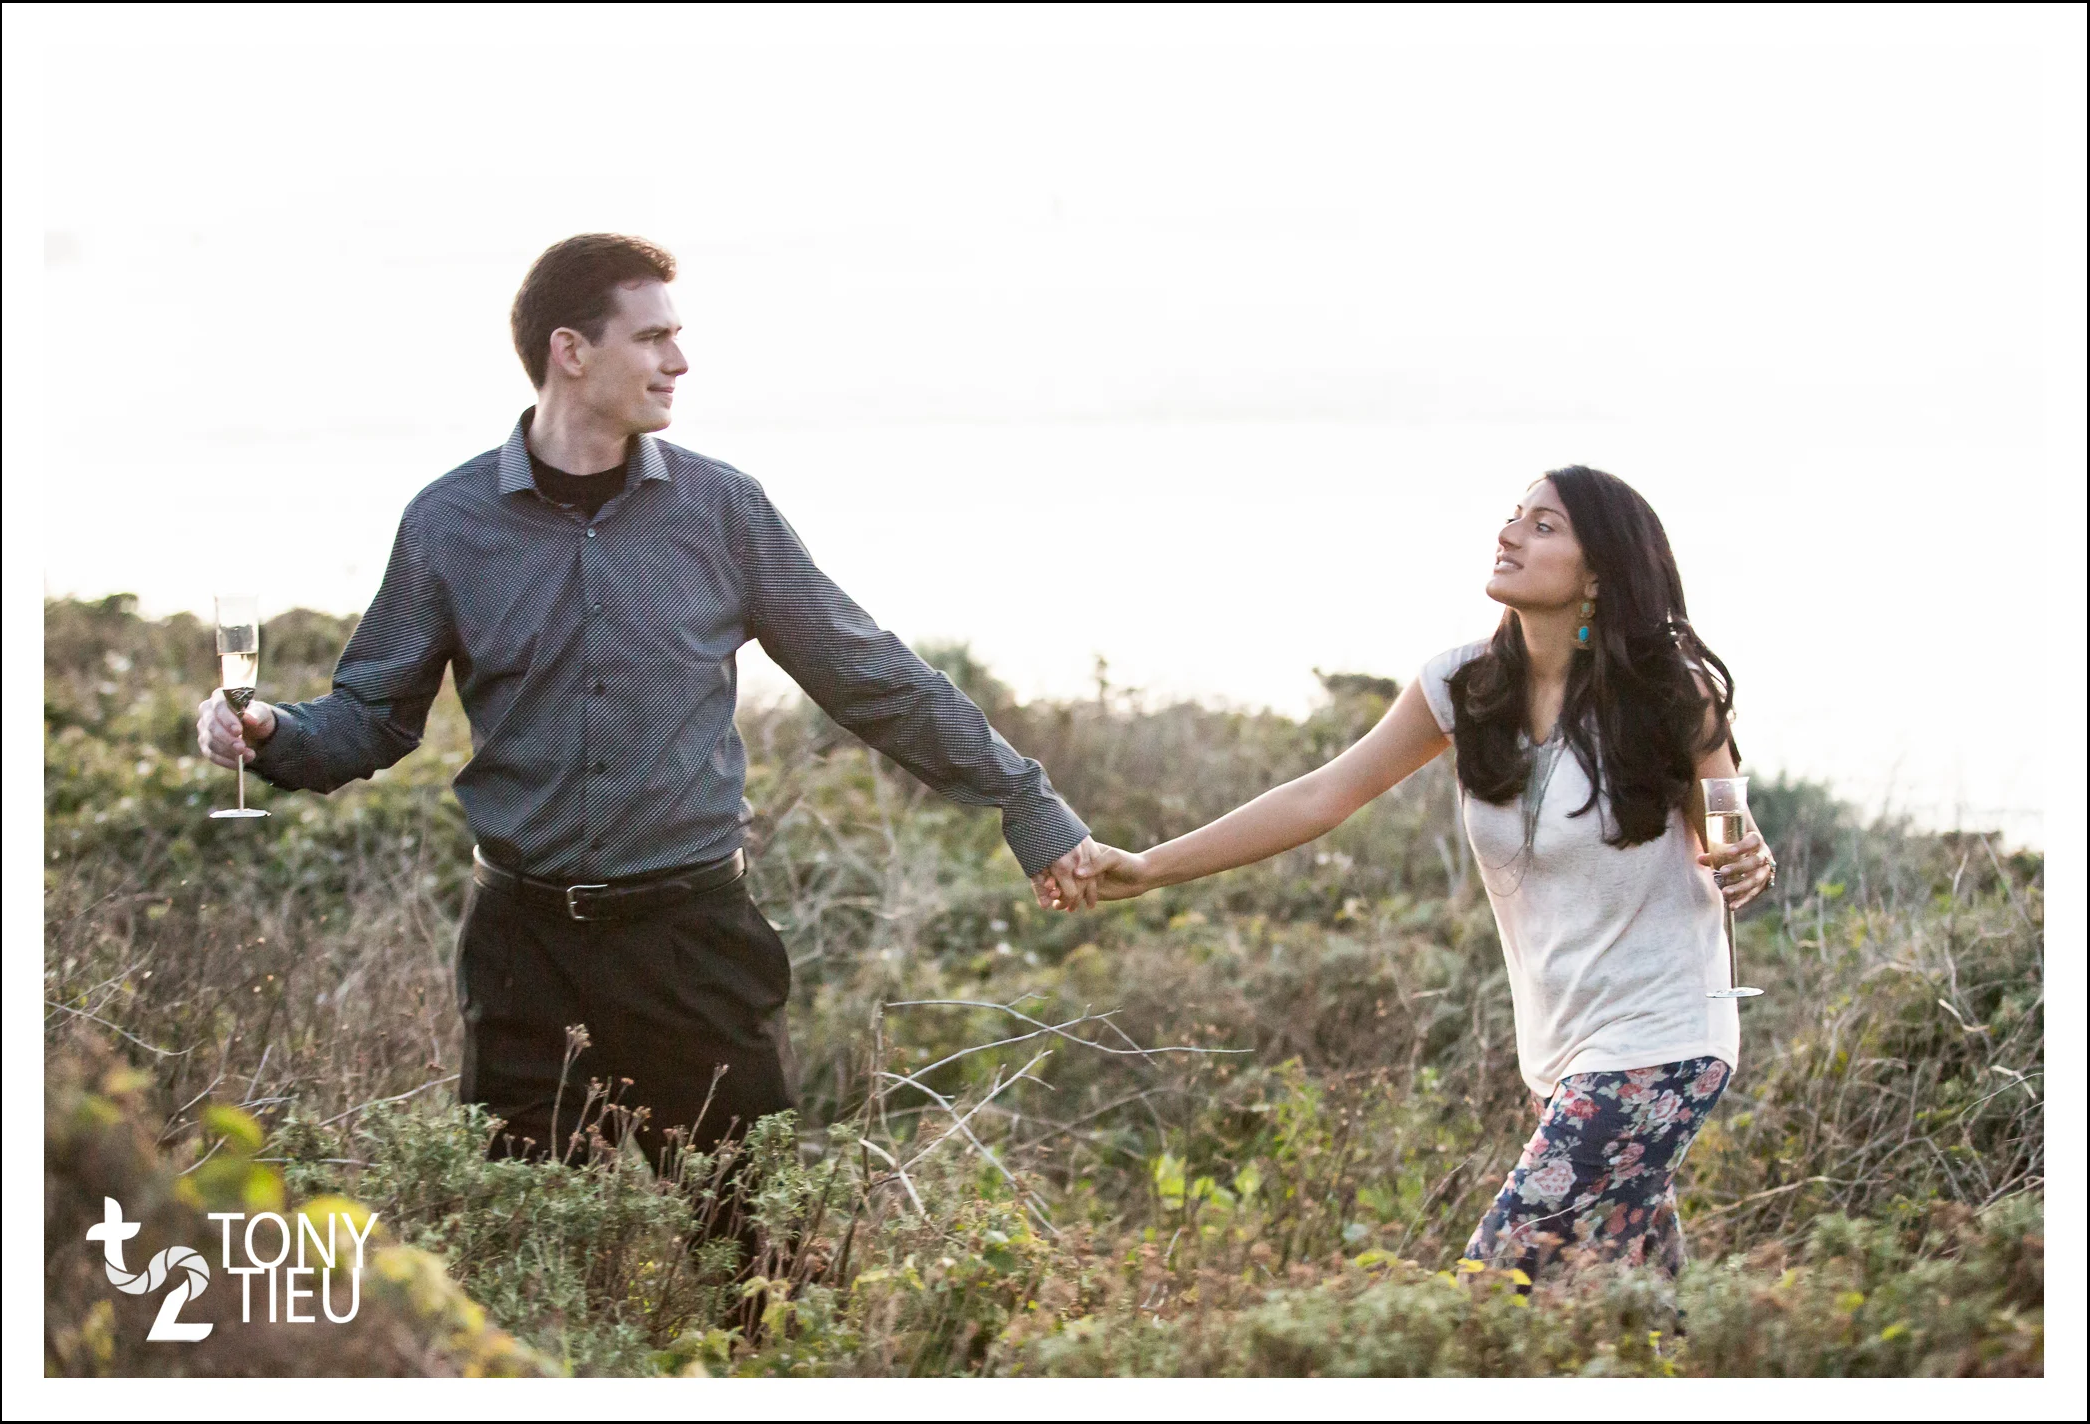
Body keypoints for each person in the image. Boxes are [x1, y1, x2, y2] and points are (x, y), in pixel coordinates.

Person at [195, 232, 1100, 1180]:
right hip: (522, 958)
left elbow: (867, 674)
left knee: (749, 1242)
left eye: (676, 335)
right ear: (571, 350)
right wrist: (273, 731)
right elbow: (371, 716)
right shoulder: (447, 523)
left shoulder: (722, 510)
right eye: (652, 337)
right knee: (521, 1241)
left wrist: (1023, 798)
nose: (679, 361)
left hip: (692, 947)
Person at [1059, 465, 1776, 1284]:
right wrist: (1148, 867)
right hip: (1558, 1054)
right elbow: (1321, 797)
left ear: (1598, 574)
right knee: (1622, 1311)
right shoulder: (1464, 686)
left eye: (1543, 526)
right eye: (1514, 516)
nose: (1508, 534)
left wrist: (1745, 849)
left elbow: (1726, 828)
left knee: (1498, 1288)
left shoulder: (1672, 696)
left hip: (1663, 1039)